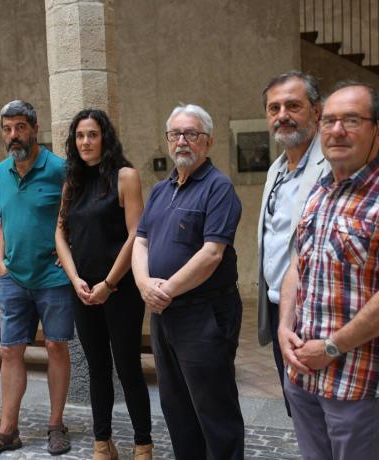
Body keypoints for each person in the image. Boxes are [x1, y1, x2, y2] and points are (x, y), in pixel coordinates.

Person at [278, 81, 379, 459]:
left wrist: (332, 347)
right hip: (303, 373)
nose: (336, 130)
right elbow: (298, 266)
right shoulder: (319, 190)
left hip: (358, 381)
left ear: (378, 129)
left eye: (351, 120)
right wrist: (285, 327)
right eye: (329, 120)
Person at [132, 104, 244, 459]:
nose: (182, 141)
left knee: (214, 408)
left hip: (204, 314)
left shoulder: (218, 188)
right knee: (176, 406)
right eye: (175, 134)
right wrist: (144, 284)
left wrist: (165, 289)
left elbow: (211, 254)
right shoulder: (161, 191)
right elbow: (141, 241)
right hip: (164, 314)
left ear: (207, 142)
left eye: (191, 134)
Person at [0, 100, 74, 459]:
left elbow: (74, 218)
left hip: (53, 278)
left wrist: (68, 259)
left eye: (19, 127)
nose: (13, 135)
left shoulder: (60, 169)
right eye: (7, 129)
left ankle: (56, 425)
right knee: (11, 350)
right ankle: (7, 431)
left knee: (56, 347)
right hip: (14, 277)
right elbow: (1, 223)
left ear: (34, 129)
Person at [55, 109, 153, 460]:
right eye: (80, 136)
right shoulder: (73, 182)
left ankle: (143, 443)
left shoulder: (125, 176)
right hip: (83, 291)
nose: (85, 142)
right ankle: (102, 443)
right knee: (97, 368)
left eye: (92, 134)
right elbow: (60, 234)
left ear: (105, 138)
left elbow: (135, 235)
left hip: (120, 290)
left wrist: (108, 284)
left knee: (127, 367)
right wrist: (76, 279)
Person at [256, 71, 330, 416]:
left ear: (316, 111)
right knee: (297, 406)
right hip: (278, 307)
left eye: (293, 105)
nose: (282, 115)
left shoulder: (331, 164)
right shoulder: (276, 169)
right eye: (274, 108)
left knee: (325, 408)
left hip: (318, 309)